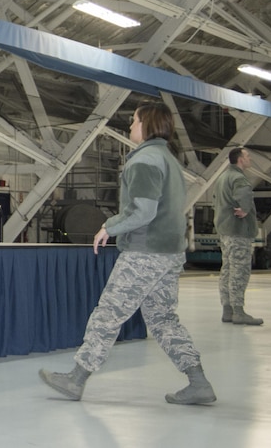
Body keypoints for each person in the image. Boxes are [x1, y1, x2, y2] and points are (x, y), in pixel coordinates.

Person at [39, 102, 216, 405]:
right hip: (171, 251)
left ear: (147, 124)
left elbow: (143, 212)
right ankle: (198, 382)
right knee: (163, 319)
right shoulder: (169, 160)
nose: (131, 126)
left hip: (145, 252)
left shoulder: (145, 160)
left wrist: (109, 226)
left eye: (134, 121)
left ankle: (76, 379)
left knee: (108, 312)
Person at [214, 147, 263, 325]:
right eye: (248, 156)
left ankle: (227, 310)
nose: (250, 159)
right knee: (239, 271)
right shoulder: (239, 178)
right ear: (240, 160)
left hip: (225, 230)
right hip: (238, 231)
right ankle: (239, 311)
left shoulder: (222, 177)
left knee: (227, 270)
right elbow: (244, 197)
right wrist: (245, 209)